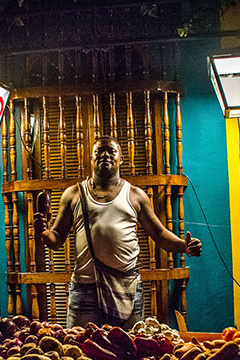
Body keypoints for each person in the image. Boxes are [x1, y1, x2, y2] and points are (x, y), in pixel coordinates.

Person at [33, 134, 202, 330]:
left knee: (129, 350)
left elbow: (159, 233)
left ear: (120, 158)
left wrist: (184, 246)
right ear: (91, 158)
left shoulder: (135, 195)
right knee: (79, 349)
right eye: (99, 151)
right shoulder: (73, 194)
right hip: (85, 288)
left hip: (127, 288)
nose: (105, 155)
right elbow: (56, 238)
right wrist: (44, 234)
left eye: (111, 151)